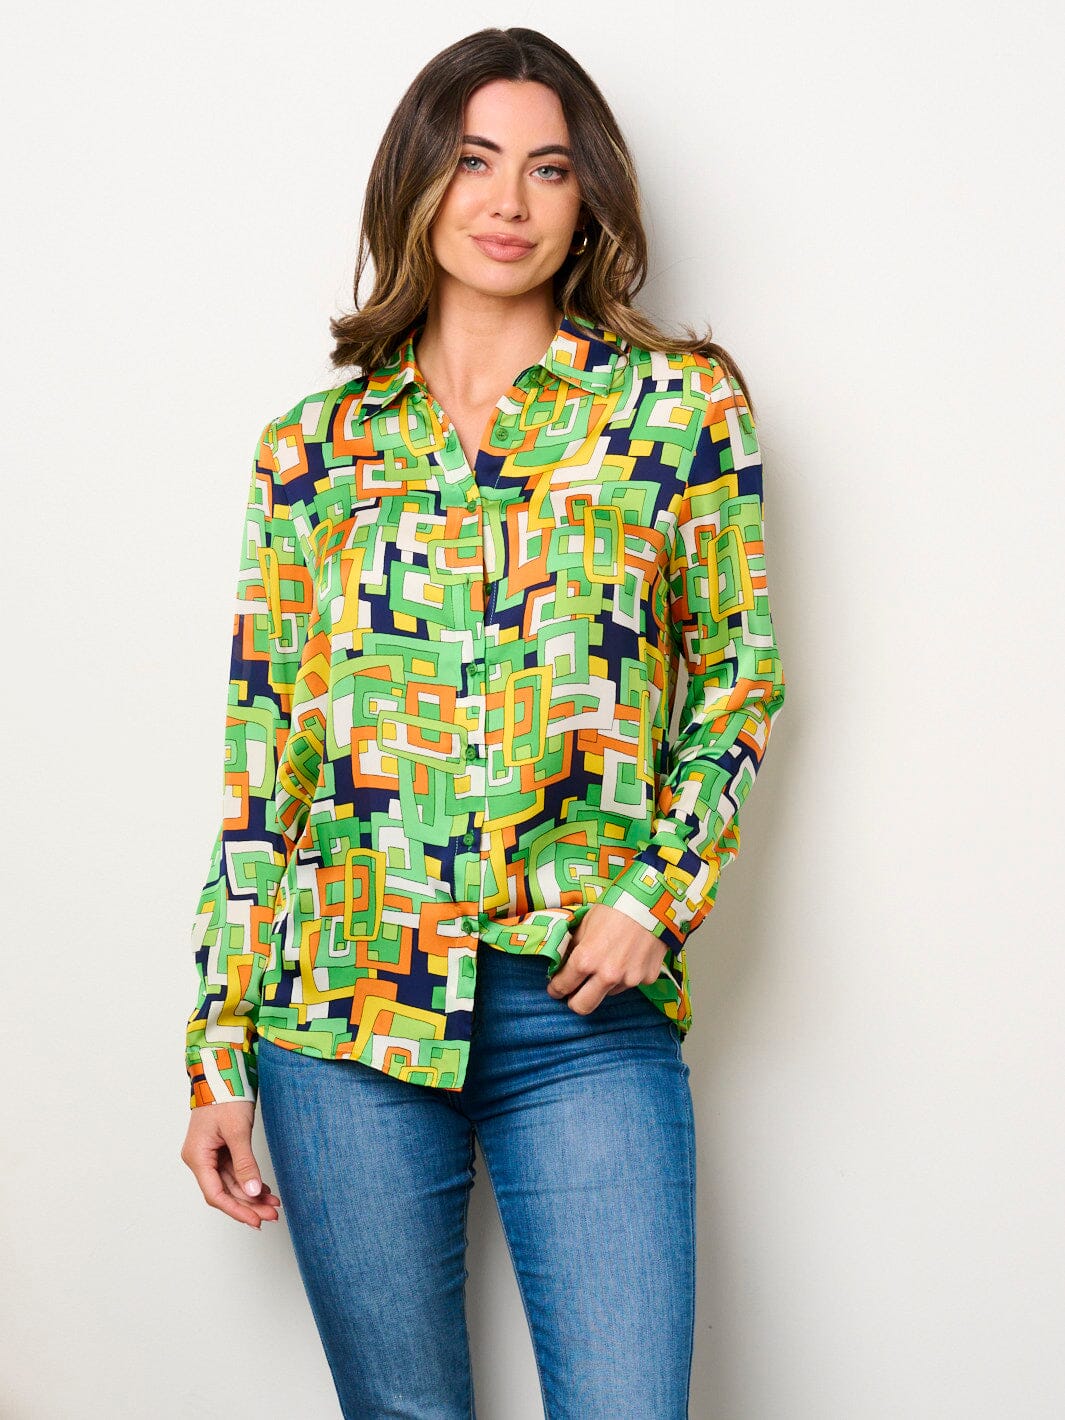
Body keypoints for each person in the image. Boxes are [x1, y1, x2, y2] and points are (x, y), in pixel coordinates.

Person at [180, 25, 786, 1420]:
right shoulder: (313, 449)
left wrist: (657, 892)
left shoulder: (676, 409)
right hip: (341, 1016)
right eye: (473, 161)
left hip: (584, 1013)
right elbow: (264, 758)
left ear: (589, 200)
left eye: (548, 168)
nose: (508, 201)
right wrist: (217, 1046)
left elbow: (741, 675)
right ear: (417, 182)